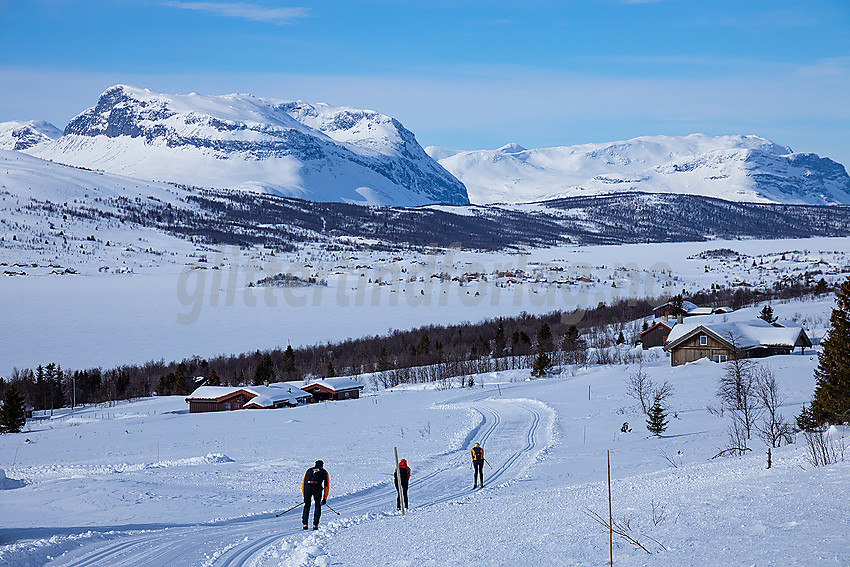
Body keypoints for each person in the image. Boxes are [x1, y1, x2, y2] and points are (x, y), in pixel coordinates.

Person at [302, 460, 330, 530]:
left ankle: (305, 524)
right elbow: (326, 485)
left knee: (307, 505)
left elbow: (303, 483)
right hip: (317, 488)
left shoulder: (309, 470)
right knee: (317, 505)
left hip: (307, 488)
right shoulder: (324, 471)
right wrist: (325, 498)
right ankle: (315, 525)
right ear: (322, 465)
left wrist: (304, 495)